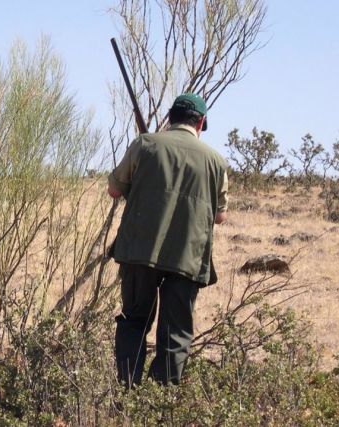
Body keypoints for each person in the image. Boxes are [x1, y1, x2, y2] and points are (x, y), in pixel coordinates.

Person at [107, 93, 228, 387]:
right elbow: (220, 216)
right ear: (201, 122)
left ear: (169, 117)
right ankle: (161, 404)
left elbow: (113, 189)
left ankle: (127, 395)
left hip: (140, 252)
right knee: (176, 334)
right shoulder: (216, 161)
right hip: (187, 259)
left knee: (134, 322)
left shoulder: (145, 145)